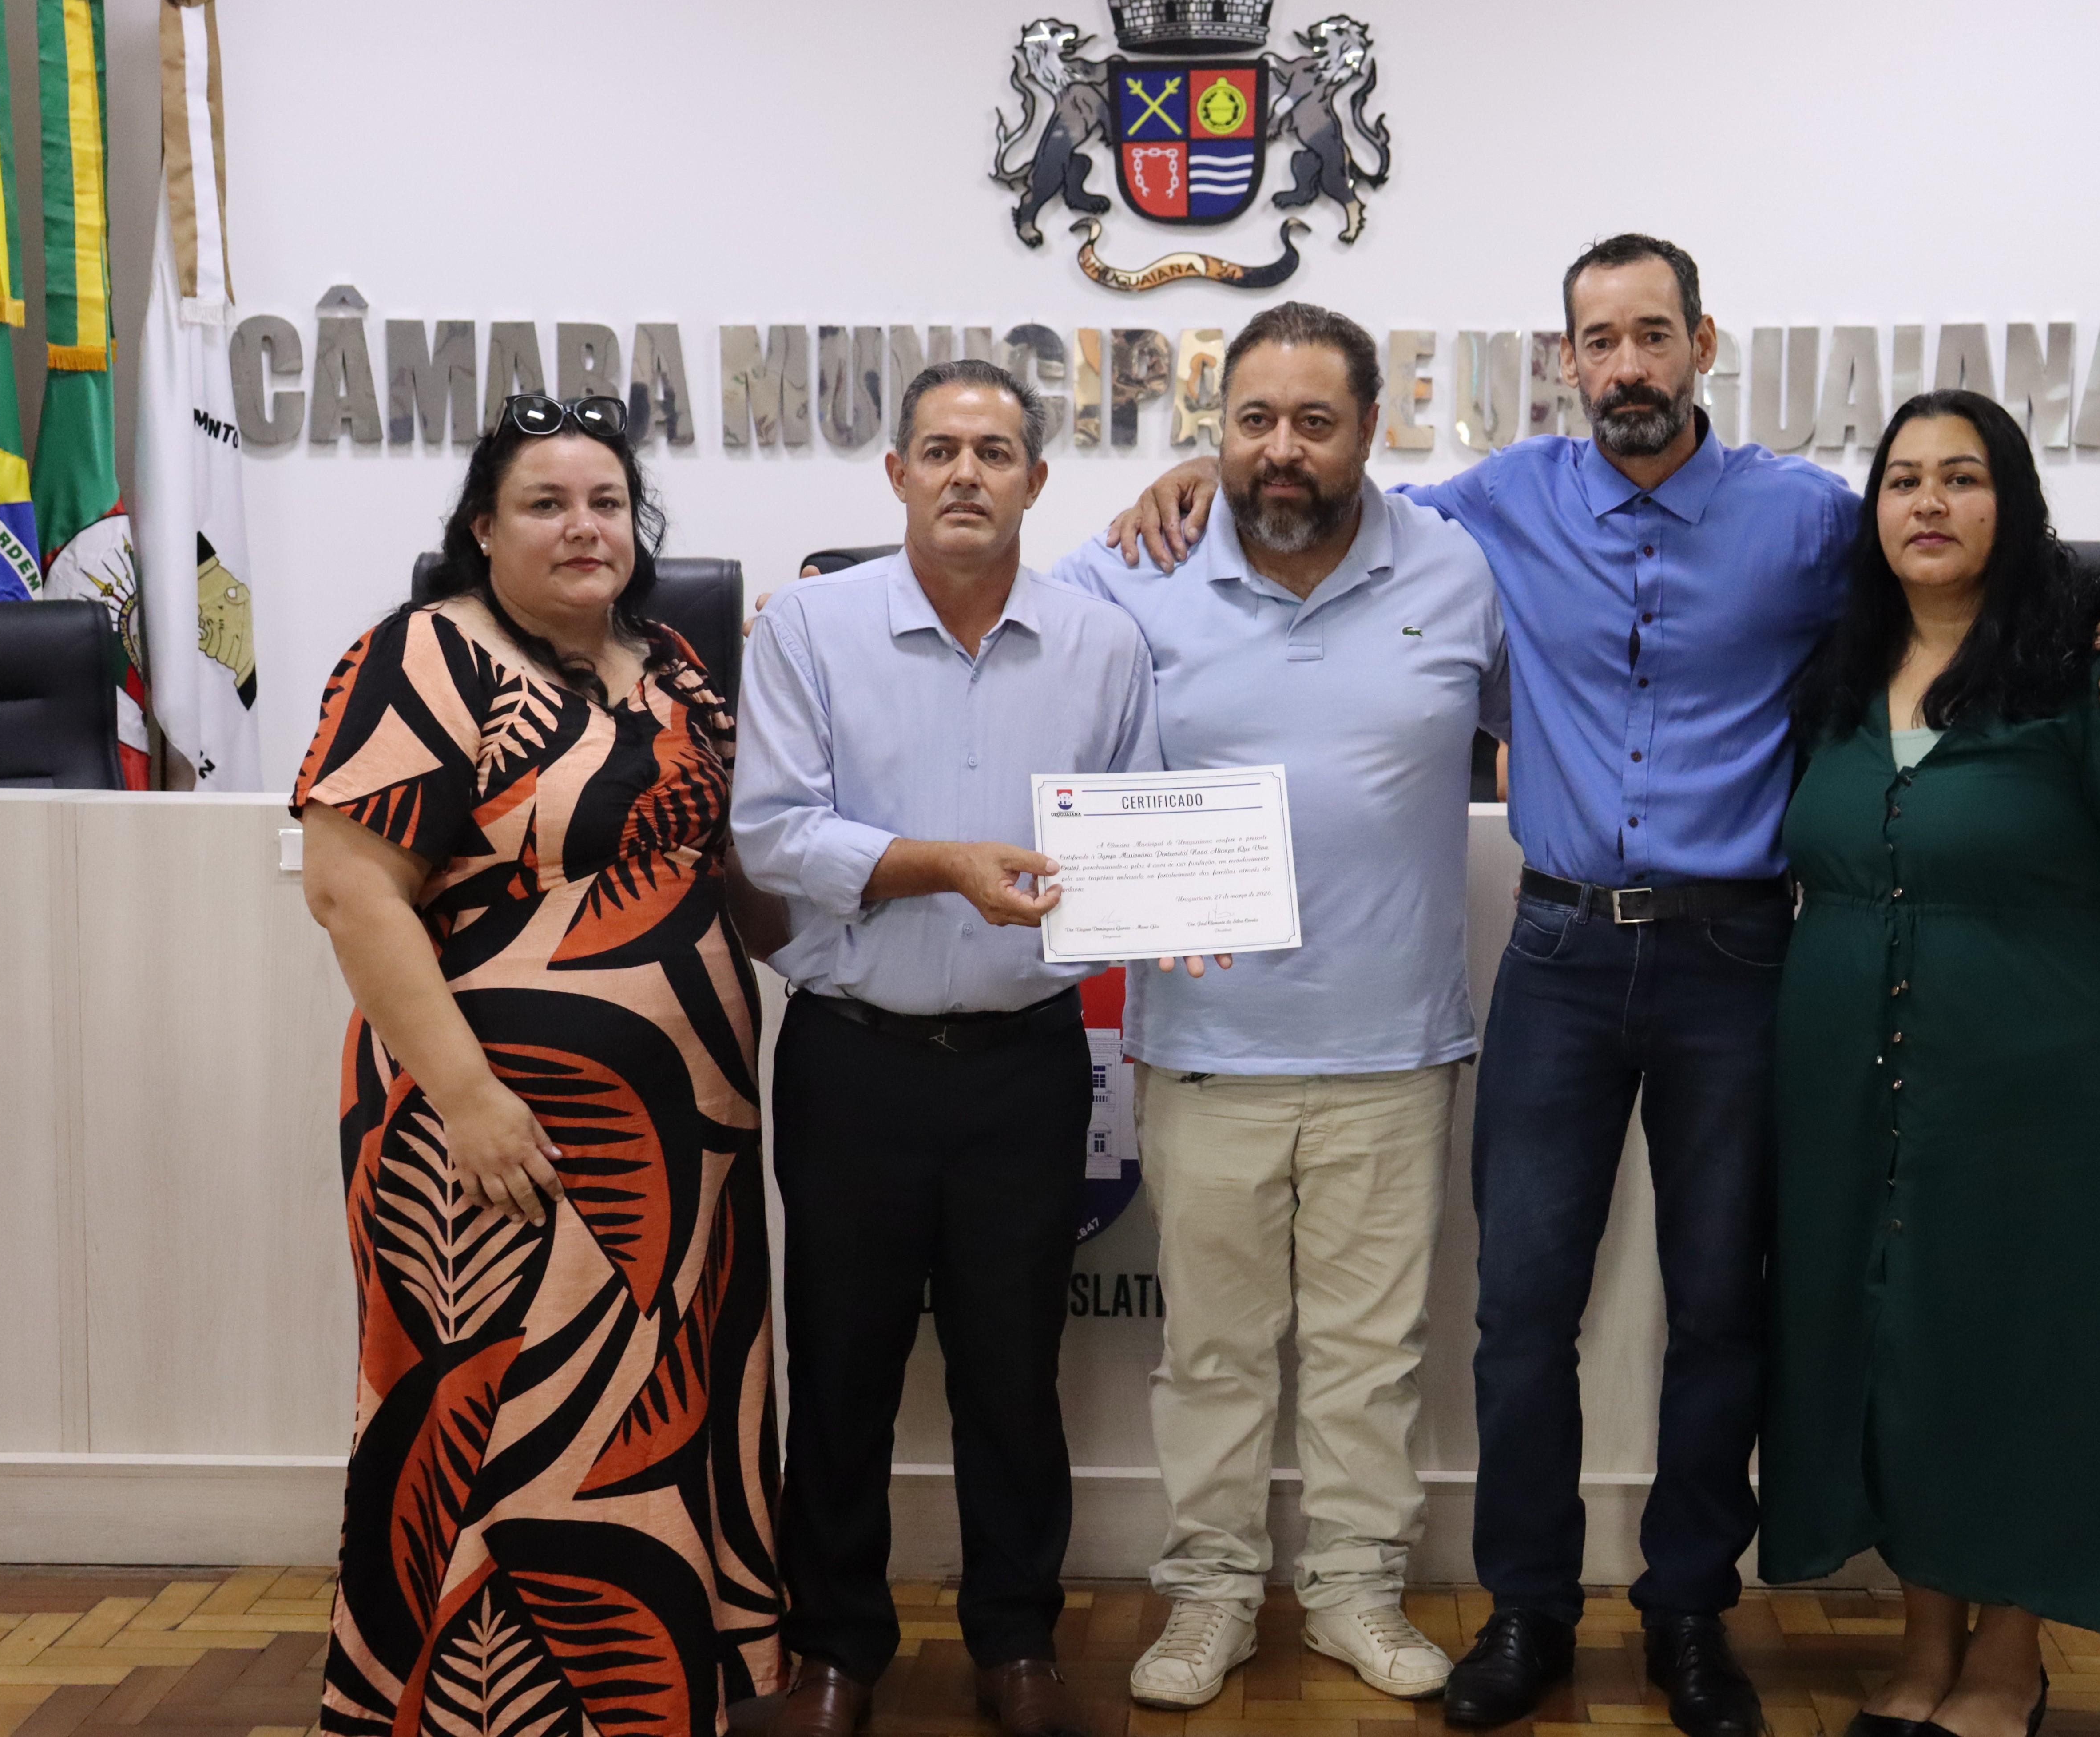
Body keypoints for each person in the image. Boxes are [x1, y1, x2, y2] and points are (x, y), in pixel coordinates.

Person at [1108, 234, 2100, 1734]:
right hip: (1558, 956)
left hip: (1736, 958)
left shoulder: (1804, 520)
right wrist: (1189, 479)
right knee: (1519, 1313)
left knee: (1720, 1311)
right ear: (1564, 361)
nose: (1625, 365)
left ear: (1702, 344)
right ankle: (1528, 1610)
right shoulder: (1493, 507)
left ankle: (1689, 1612)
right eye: (1598, 340)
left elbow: (1966, 559)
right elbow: (1314, 498)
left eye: (1651, 335)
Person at [1763, 390, 2100, 1735]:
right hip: (1853, 1097)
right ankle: (1925, 1643)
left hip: (2049, 1093)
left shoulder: (2098, 665)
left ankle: (2005, 1660)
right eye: (1902, 481)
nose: (1928, 504)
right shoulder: (1836, 671)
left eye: (1963, 477)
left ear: (2016, 503)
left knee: (2023, 1360)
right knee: (1900, 1359)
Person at [296, 392, 785, 1737]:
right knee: (503, 1409)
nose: (584, 528)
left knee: (647, 1412)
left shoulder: (671, 663)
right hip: (500, 1131)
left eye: (607, 503)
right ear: (482, 528)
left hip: (683, 1144)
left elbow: (723, 872)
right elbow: (352, 892)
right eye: (546, 504)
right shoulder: (424, 654)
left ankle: (650, 1701)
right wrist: (471, 1101)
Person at [1048, 301, 1509, 1710]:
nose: (1281, 450)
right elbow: (1001, 664)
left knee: (1373, 1357)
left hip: (1393, 1044)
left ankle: (1356, 1591)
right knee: (1211, 1355)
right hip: (1205, 1050)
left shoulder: (1459, 567)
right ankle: (1209, 1595)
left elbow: (1559, 718)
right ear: (1215, 435)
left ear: (1371, 429)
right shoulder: (1130, 569)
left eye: (1315, 421)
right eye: (1252, 422)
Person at [731, 360, 1159, 1737]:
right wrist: (944, 867)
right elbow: (771, 835)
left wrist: (1185, 908)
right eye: (938, 449)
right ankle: (836, 1649)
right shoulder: (809, 626)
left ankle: (1016, 1645)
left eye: (993, 451)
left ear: (1036, 481)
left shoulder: (1102, 645)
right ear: (897, 476)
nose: (965, 471)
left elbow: (1133, 835)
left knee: (1012, 1374)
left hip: (1026, 1064)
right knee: (841, 1369)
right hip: (852, 1060)